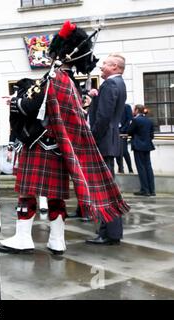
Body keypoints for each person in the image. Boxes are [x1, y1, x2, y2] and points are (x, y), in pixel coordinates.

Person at [0, 21, 129, 255]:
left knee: (27, 194)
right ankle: (57, 240)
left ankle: (23, 237)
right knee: (56, 196)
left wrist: (16, 101)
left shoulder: (54, 78)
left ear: (61, 53)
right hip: (60, 148)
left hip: (39, 145)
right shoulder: (70, 83)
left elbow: (28, 108)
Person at [86, 53, 128, 245]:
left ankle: (109, 233)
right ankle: (109, 232)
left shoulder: (110, 84)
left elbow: (103, 117)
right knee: (108, 190)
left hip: (103, 143)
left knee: (105, 191)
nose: (101, 67)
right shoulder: (118, 84)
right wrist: (95, 96)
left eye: (105, 64)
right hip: (109, 142)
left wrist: (91, 139)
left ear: (115, 67)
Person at [127, 104, 155, 196]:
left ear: (137, 110)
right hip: (147, 146)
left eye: (134, 109)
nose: (133, 111)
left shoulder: (135, 120)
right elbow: (151, 135)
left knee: (141, 168)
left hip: (138, 146)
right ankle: (152, 190)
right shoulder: (149, 120)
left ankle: (145, 190)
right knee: (148, 167)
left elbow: (129, 131)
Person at [116, 103, 134, 174]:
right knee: (116, 151)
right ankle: (120, 168)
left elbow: (129, 119)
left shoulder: (126, 106)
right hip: (115, 132)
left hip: (123, 132)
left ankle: (130, 168)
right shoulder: (113, 106)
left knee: (124, 151)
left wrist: (123, 129)